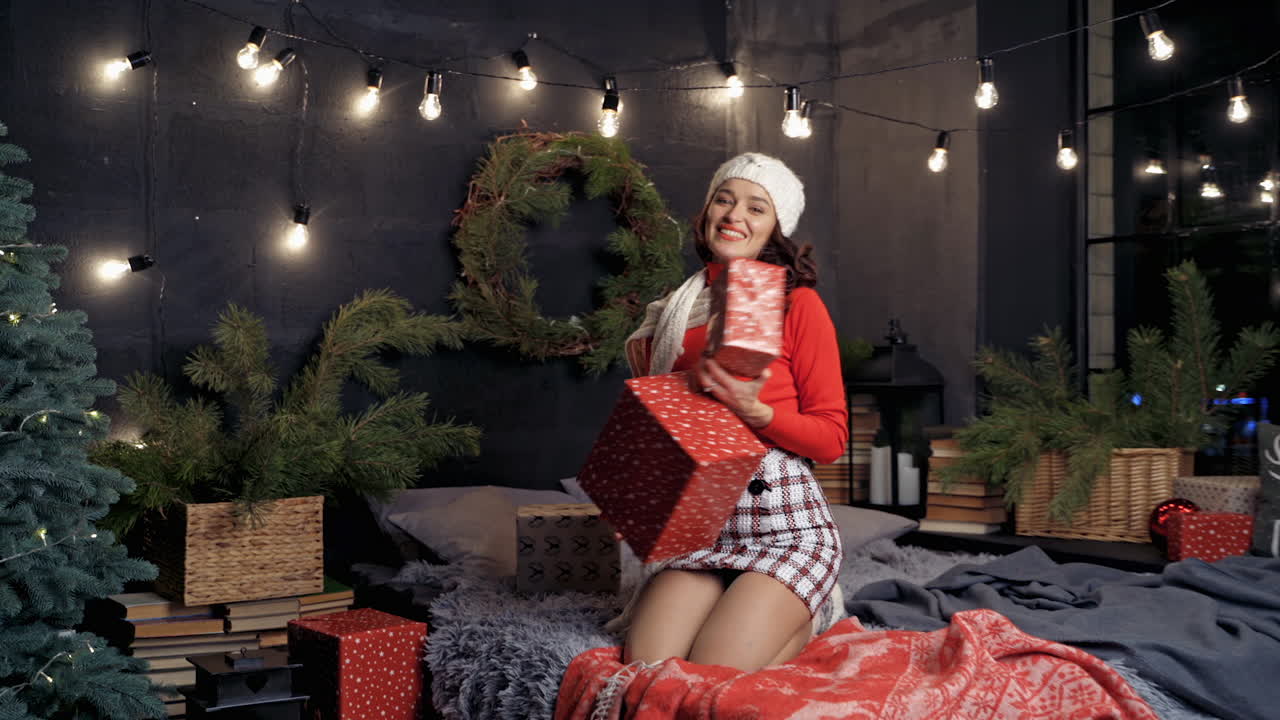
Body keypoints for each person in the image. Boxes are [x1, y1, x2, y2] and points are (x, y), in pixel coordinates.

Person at [617, 152, 848, 673]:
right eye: (724, 198)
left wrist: (758, 413)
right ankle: (763, 614)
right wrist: (639, 502)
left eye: (756, 207)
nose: (734, 214)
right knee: (651, 666)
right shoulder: (671, 314)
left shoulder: (797, 304)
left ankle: (810, 613)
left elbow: (832, 439)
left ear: (776, 229)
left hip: (783, 525)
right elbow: (664, 431)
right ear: (705, 213)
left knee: (716, 667)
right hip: (701, 526)